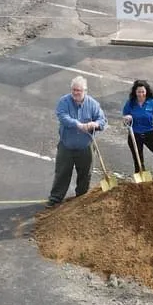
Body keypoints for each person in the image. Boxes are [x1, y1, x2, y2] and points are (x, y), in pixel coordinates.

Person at [47, 75, 107, 208]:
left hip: (85, 147)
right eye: (73, 90)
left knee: (85, 174)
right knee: (62, 172)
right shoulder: (64, 101)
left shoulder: (93, 104)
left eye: (78, 90)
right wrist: (78, 124)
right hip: (66, 146)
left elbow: (103, 121)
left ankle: (81, 199)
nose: (75, 93)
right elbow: (62, 116)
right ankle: (55, 199)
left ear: (85, 91)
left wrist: (94, 124)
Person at [122, 79, 153, 180]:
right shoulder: (130, 103)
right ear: (135, 92)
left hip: (149, 134)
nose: (141, 94)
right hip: (135, 135)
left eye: (143, 91)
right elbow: (124, 119)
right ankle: (142, 185)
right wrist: (126, 118)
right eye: (139, 92)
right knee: (138, 162)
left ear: (146, 91)